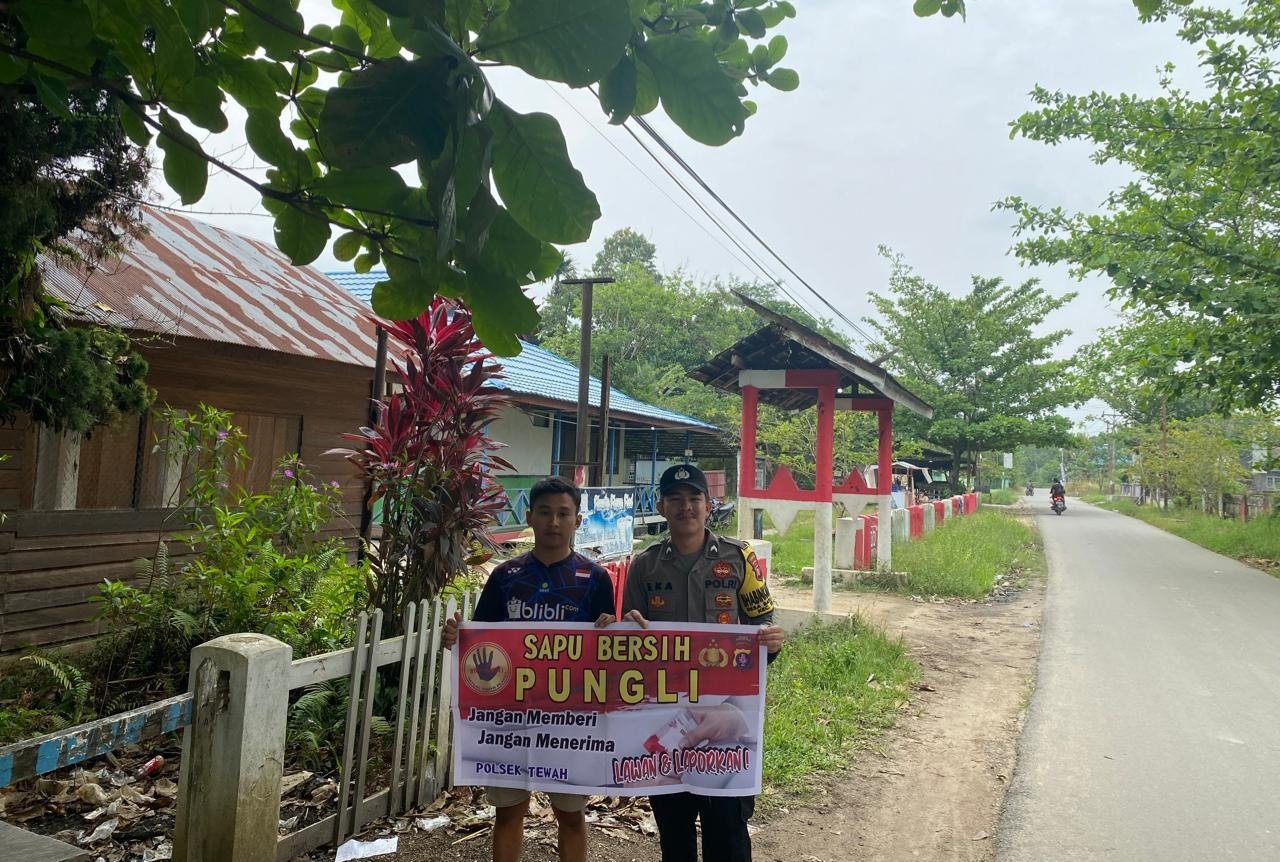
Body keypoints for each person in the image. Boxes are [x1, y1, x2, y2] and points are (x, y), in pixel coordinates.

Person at [598, 464, 784, 862]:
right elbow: (632, 638)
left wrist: (771, 641)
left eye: (694, 498)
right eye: (676, 499)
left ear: (708, 505)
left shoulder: (738, 557)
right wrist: (624, 627)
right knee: (674, 828)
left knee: (728, 830)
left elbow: (762, 622)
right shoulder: (645, 565)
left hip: (727, 714)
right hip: (664, 717)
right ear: (662, 507)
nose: (686, 507)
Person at [441, 476, 615, 862]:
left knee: (571, 817)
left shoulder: (596, 578)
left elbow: (610, 651)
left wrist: (613, 629)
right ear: (529, 516)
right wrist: (457, 636)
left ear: (577, 520)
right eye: (545, 512)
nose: (554, 521)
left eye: (563, 513)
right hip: (510, 718)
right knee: (508, 814)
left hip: (571, 721)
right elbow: (481, 645)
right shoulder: (505, 577)